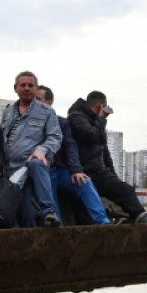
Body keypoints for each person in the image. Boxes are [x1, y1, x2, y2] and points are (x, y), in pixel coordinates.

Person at [69, 91, 147, 224]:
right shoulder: (76, 117)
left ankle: (141, 217)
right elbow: (91, 136)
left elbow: (105, 154)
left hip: (99, 172)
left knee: (125, 190)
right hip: (85, 173)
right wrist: (101, 119)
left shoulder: (96, 123)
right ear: (100, 106)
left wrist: (113, 177)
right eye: (105, 107)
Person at [37, 85, 110, 225]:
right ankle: (57, 228)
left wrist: (76, 170)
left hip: (59, 169)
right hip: (43, 171)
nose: (36, 103)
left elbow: (70, 146)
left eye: (39, 99)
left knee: (84, 182)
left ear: (49, 102)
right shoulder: (29, 123)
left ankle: (103, 222)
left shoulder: (61, 123)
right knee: (50, 197)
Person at [0, 71, 63, 227]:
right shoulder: (7, 111)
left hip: (31, 166)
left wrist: (41, 150)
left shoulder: (46, 112)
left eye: (30, 85)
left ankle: (49, 211)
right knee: (24, 211)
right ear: (15, 88)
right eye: (23, 85)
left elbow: (55, 137)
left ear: (36, 89)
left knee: (36, 163)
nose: (27, 88)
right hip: (10, 170)